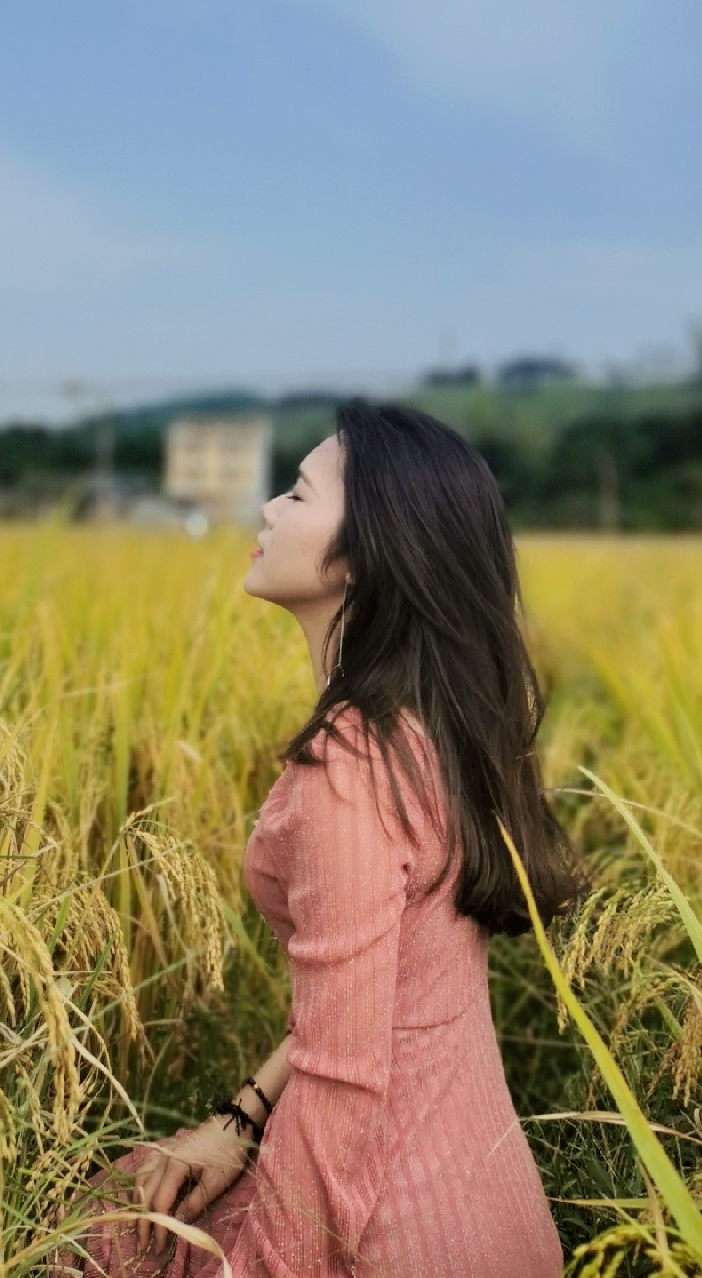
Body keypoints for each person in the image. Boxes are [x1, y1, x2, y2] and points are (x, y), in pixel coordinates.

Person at [59, 402, 580, 1277]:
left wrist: (265, 1266)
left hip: (392, 1231)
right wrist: (241, 1119)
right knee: (134, 1194)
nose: (268, 509)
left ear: (362, 553)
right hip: (491, 1213)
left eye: (297, 494)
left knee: (103, 1238)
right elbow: (371, 1002)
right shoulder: (429, 726)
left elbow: (344, 1084)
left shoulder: (349, 770)